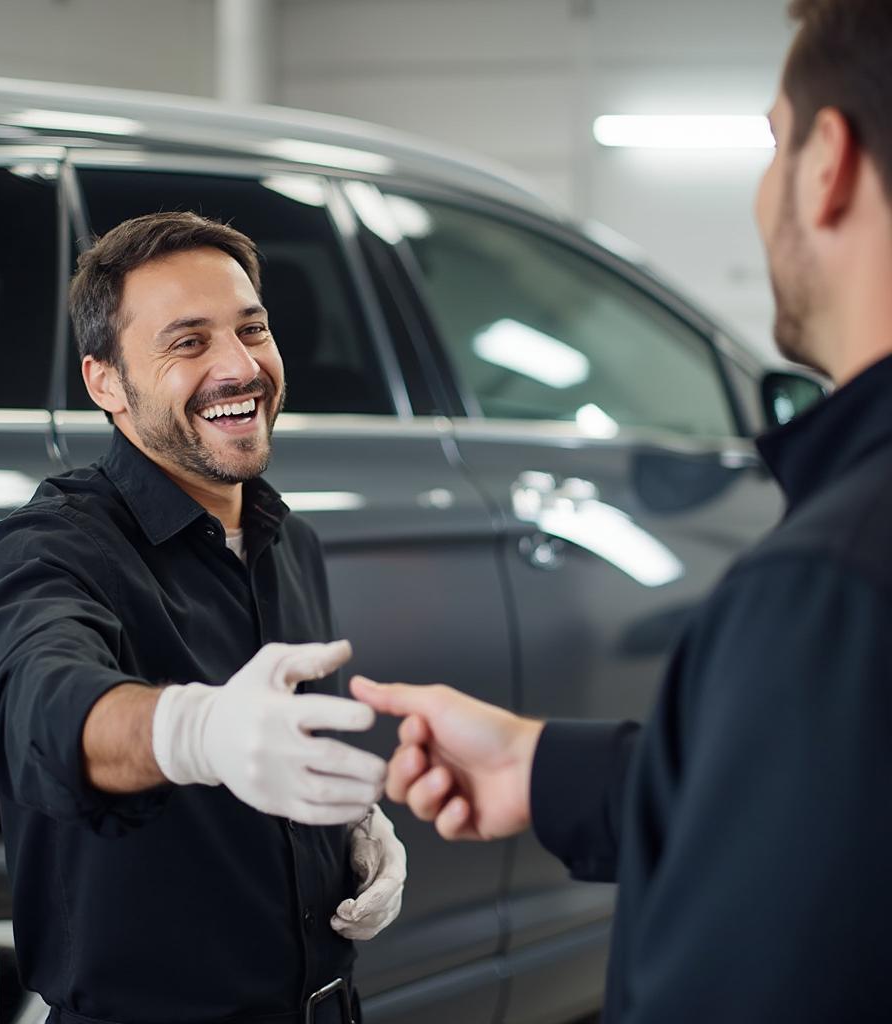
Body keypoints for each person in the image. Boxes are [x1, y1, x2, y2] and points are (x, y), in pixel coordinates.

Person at [352, 1, 892, 1020]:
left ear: (828, 163)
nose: (763, 187)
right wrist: (536, 763)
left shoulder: (828, 585)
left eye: (773, 144)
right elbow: (819, 809)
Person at [0, 211, 406, 1024]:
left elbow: (278, 746)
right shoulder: (49, 548)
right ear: (105, 382)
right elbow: (34, 702)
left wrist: (346, 825)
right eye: (188, 342)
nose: (240, 368)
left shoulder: (287, 541)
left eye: (253, 330)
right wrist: (190, 733)